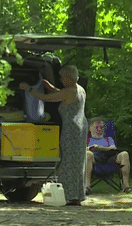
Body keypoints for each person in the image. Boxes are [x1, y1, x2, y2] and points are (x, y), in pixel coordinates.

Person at [19, 65, 88, 205]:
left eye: (62, 77)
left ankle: (69, 195)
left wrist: (30, 89)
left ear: (68, 78)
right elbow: (59, 92)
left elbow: (46, 98)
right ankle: (77, 194)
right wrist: (49, 86)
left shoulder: (69, 91)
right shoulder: (79, 89)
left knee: (67, 162)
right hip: (81, 126)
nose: (61, 80)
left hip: (71, 128)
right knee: (78, 162)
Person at [85, 117, 132, 194]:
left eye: (102, 127)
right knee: (88, 154)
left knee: (124, 154)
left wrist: (100, 148)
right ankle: (87, 187)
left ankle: (126, 187)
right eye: (97, 127)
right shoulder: (87, 140)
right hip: (94, 161)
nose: (100, 129)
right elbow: (82, 150)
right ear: (90, 128)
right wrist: (91, 148)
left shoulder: (108, 139)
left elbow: (113, 149)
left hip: (109, 159)